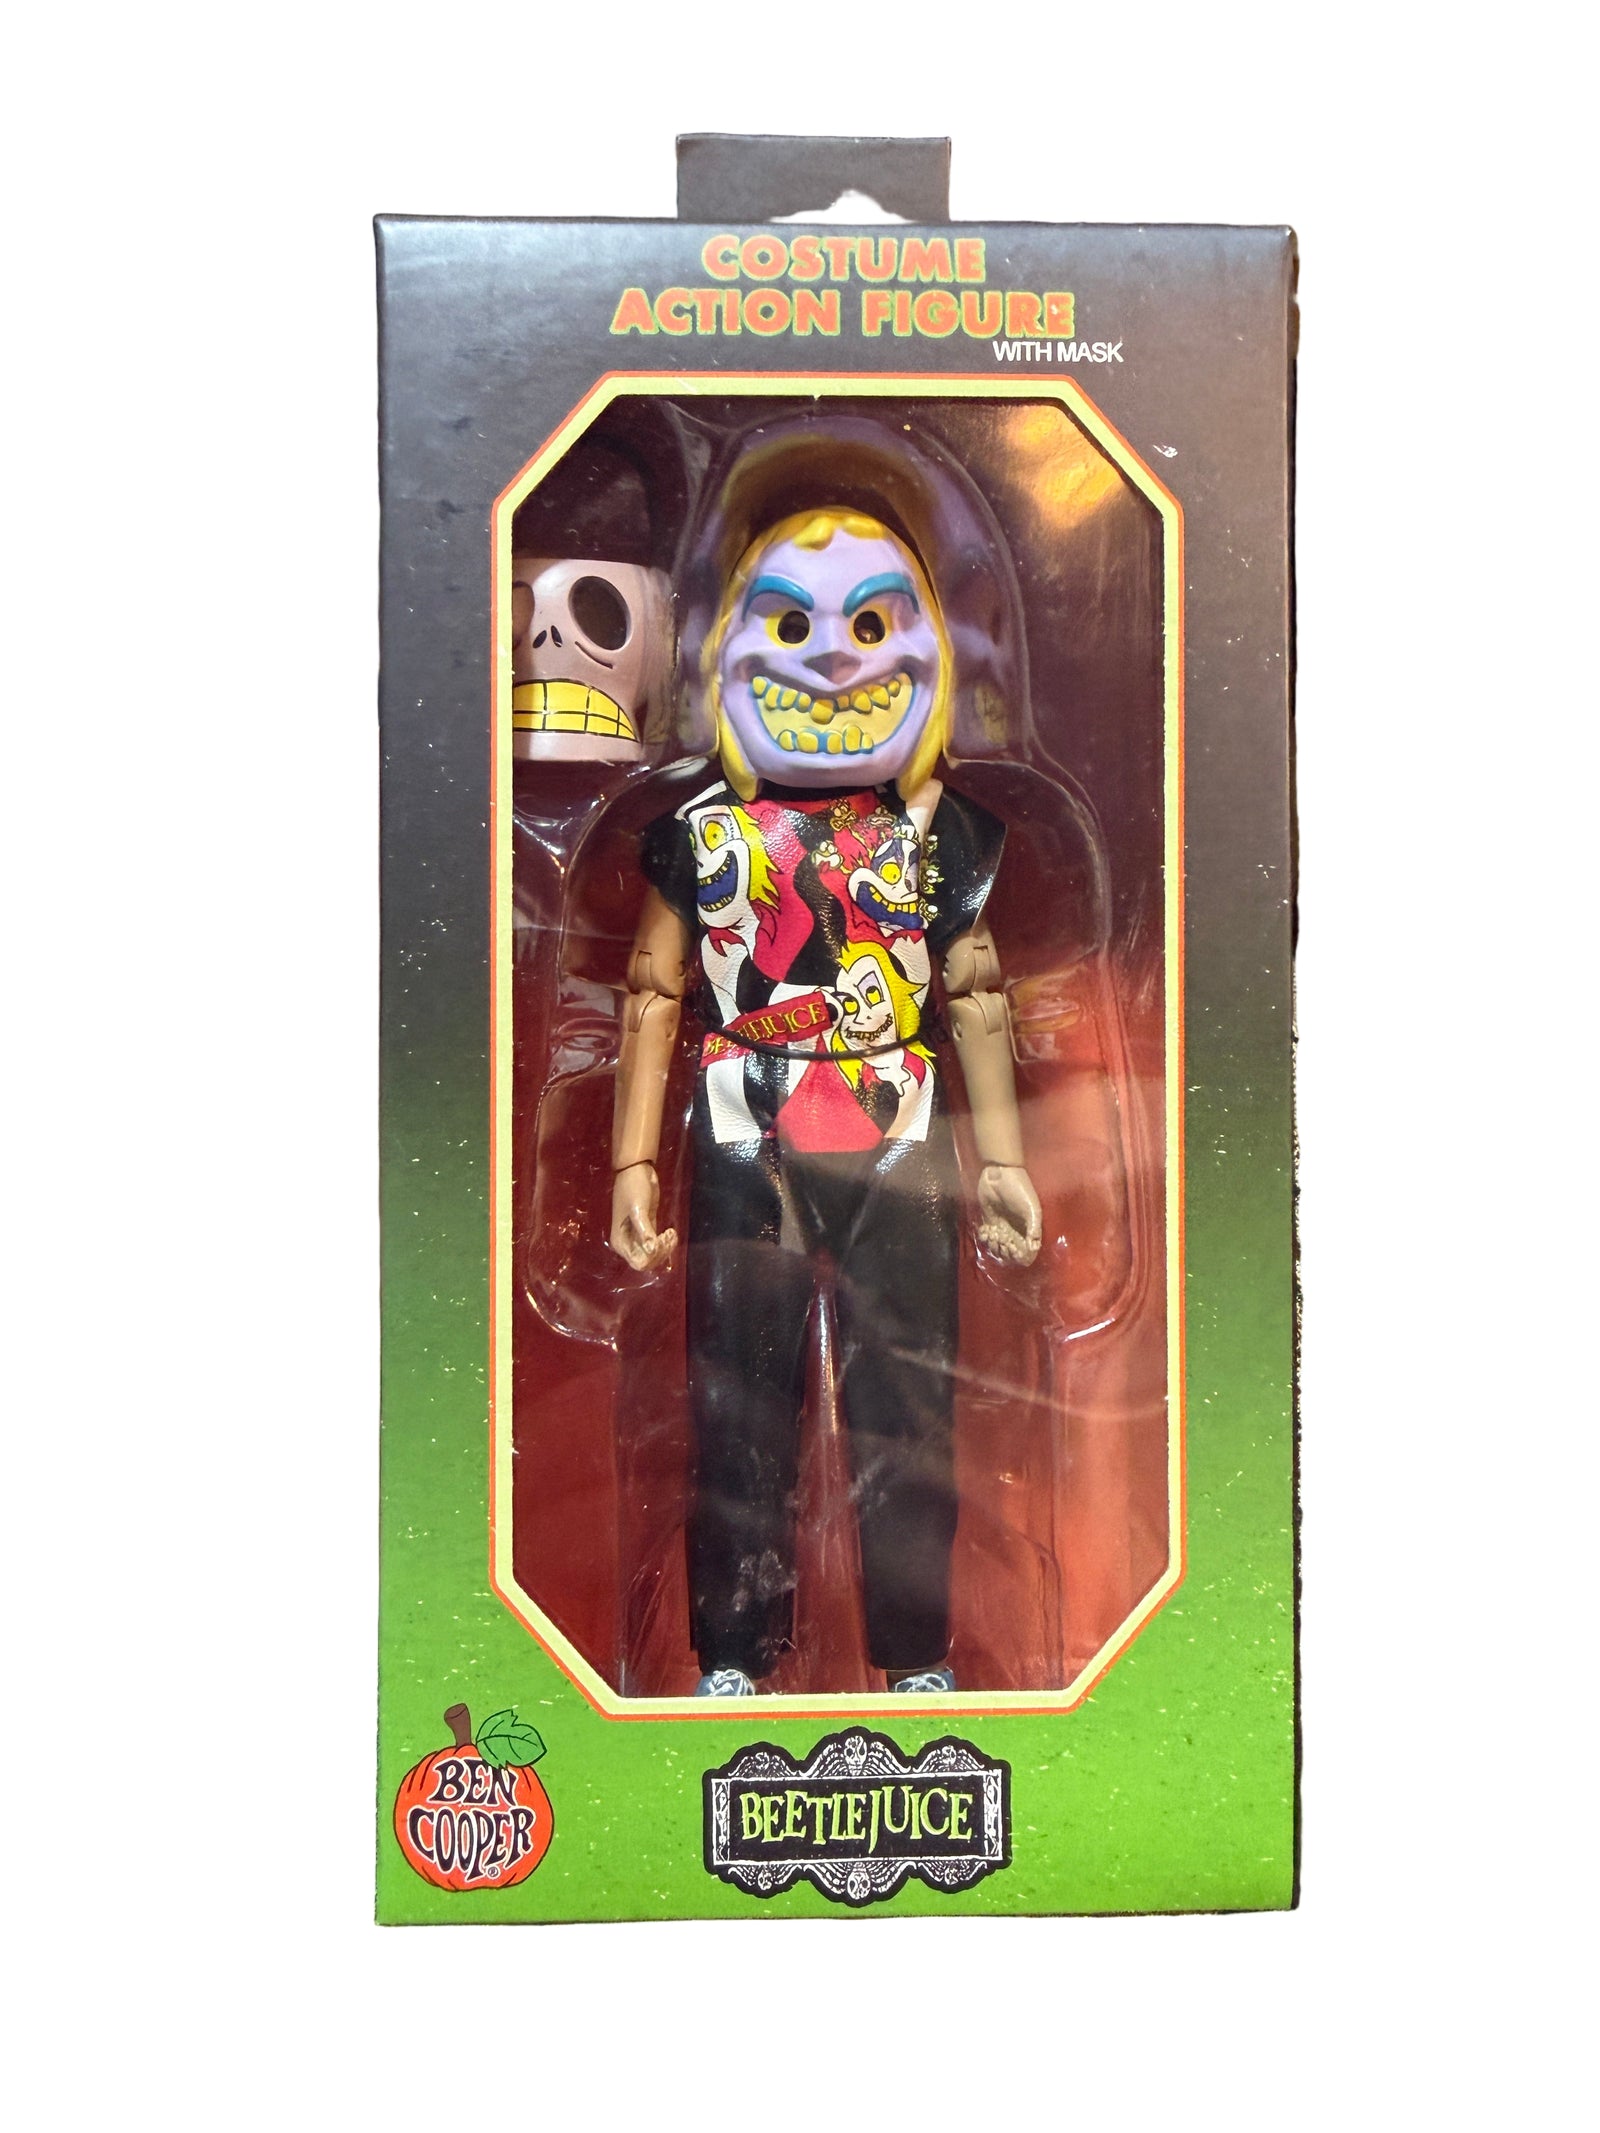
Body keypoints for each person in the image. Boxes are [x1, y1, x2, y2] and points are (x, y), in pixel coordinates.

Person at [609, 508, 1042, 1696]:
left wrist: (1001, 1161)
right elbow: (651, 992)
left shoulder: (934, 833)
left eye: (870, 622)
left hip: (899, 1119)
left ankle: (915, 1656)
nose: (834, 658)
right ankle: (733, 1653)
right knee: (734, 1400)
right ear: (726, 654)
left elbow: (976, 990)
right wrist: (634, 1165)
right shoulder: (703, 832)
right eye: (792, 625)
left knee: (908, 1396)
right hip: (741, 1118)